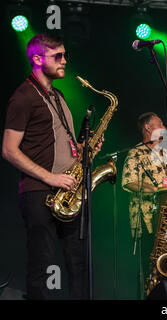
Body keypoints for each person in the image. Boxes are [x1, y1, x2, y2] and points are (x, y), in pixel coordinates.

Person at [2, 33, 102, 299]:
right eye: (57, 56)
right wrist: (51, 177)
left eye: (65, 55)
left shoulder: (58, 95)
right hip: (40, 192)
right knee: (41, 265)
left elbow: (61, 143)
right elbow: (9, 150)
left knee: (79, 264)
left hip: (68, 191)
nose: (64, 61)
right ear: (37, 59)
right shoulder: (23, 97)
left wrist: (84, 151)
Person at [122, 112, 167, 296]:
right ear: (148, 128)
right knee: (150, 269)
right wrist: (158, 189)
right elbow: (128, 182)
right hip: (147, 220)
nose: (165, 128)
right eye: (161, 124)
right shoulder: (135, 153)